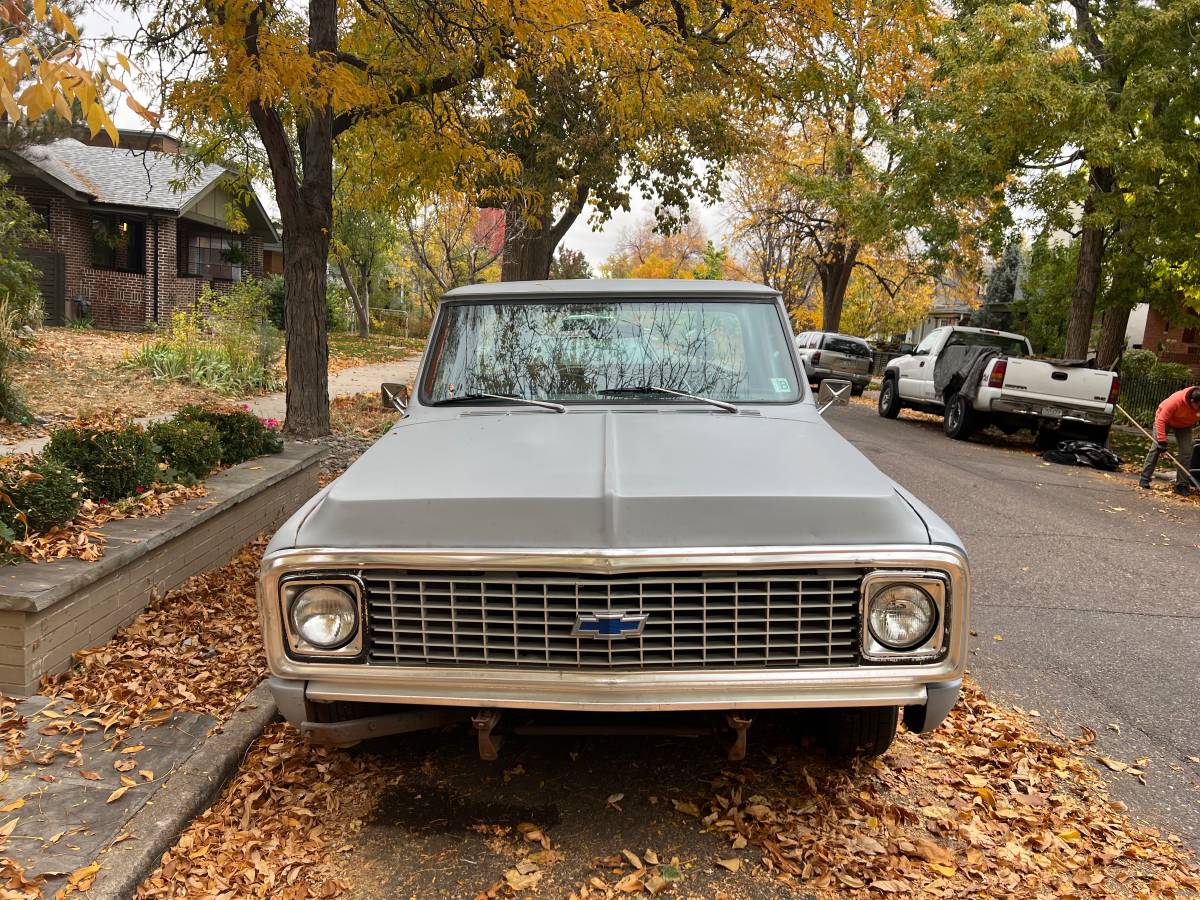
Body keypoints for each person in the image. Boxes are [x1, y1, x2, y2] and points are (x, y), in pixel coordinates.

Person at [1140, 385, 1200, 495]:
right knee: (1156, 449)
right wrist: (1162, 440)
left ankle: (1181, 485)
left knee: (1186, 452)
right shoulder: (1176, 401)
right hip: (1165, 421)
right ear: (1192, 401)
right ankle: (1144, 478)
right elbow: (1161, 420)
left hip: (1184, 425)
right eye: (1198, 406)